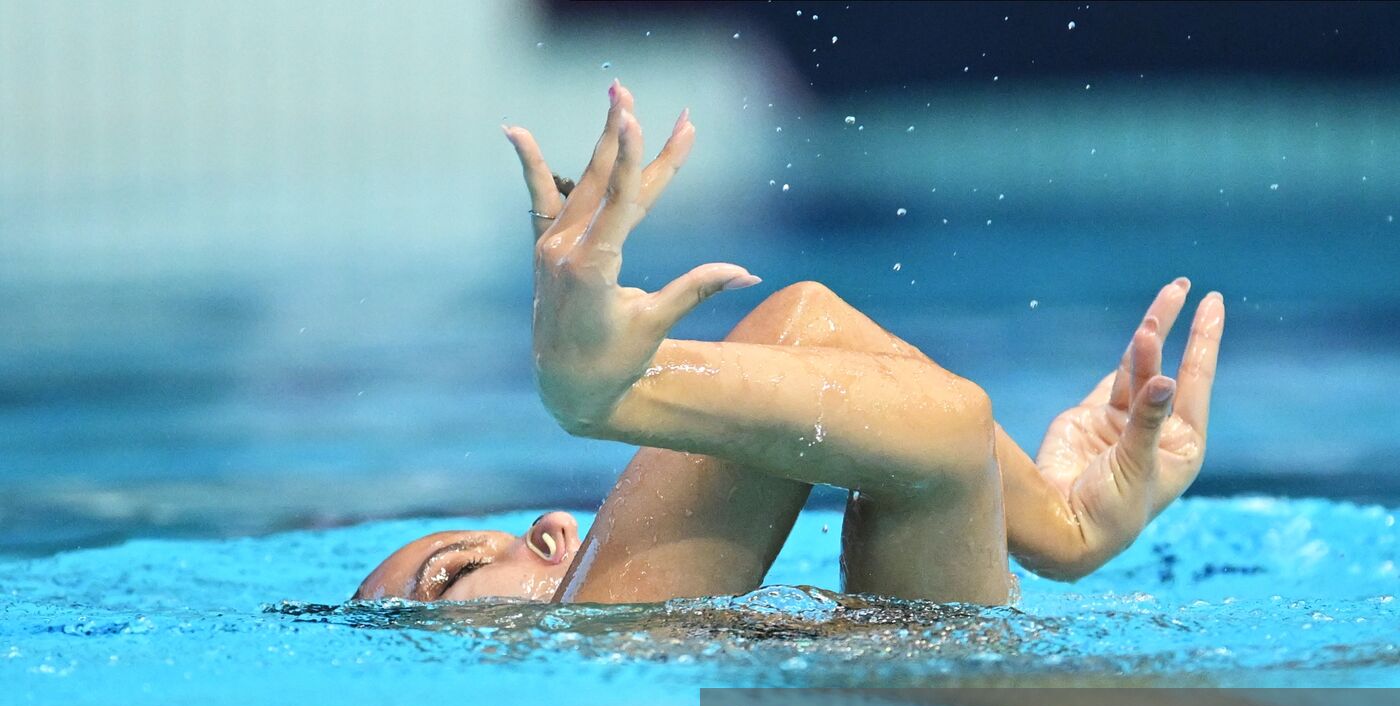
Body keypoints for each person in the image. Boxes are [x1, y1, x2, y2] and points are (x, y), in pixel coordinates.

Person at [354, 82, 1225, 607]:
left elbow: (810, 324)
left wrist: (1060, 523)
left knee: (807, 319)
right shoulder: (605, 656)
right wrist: (607, 396)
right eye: (453, 573)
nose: (548, 527)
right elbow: (949, 434)